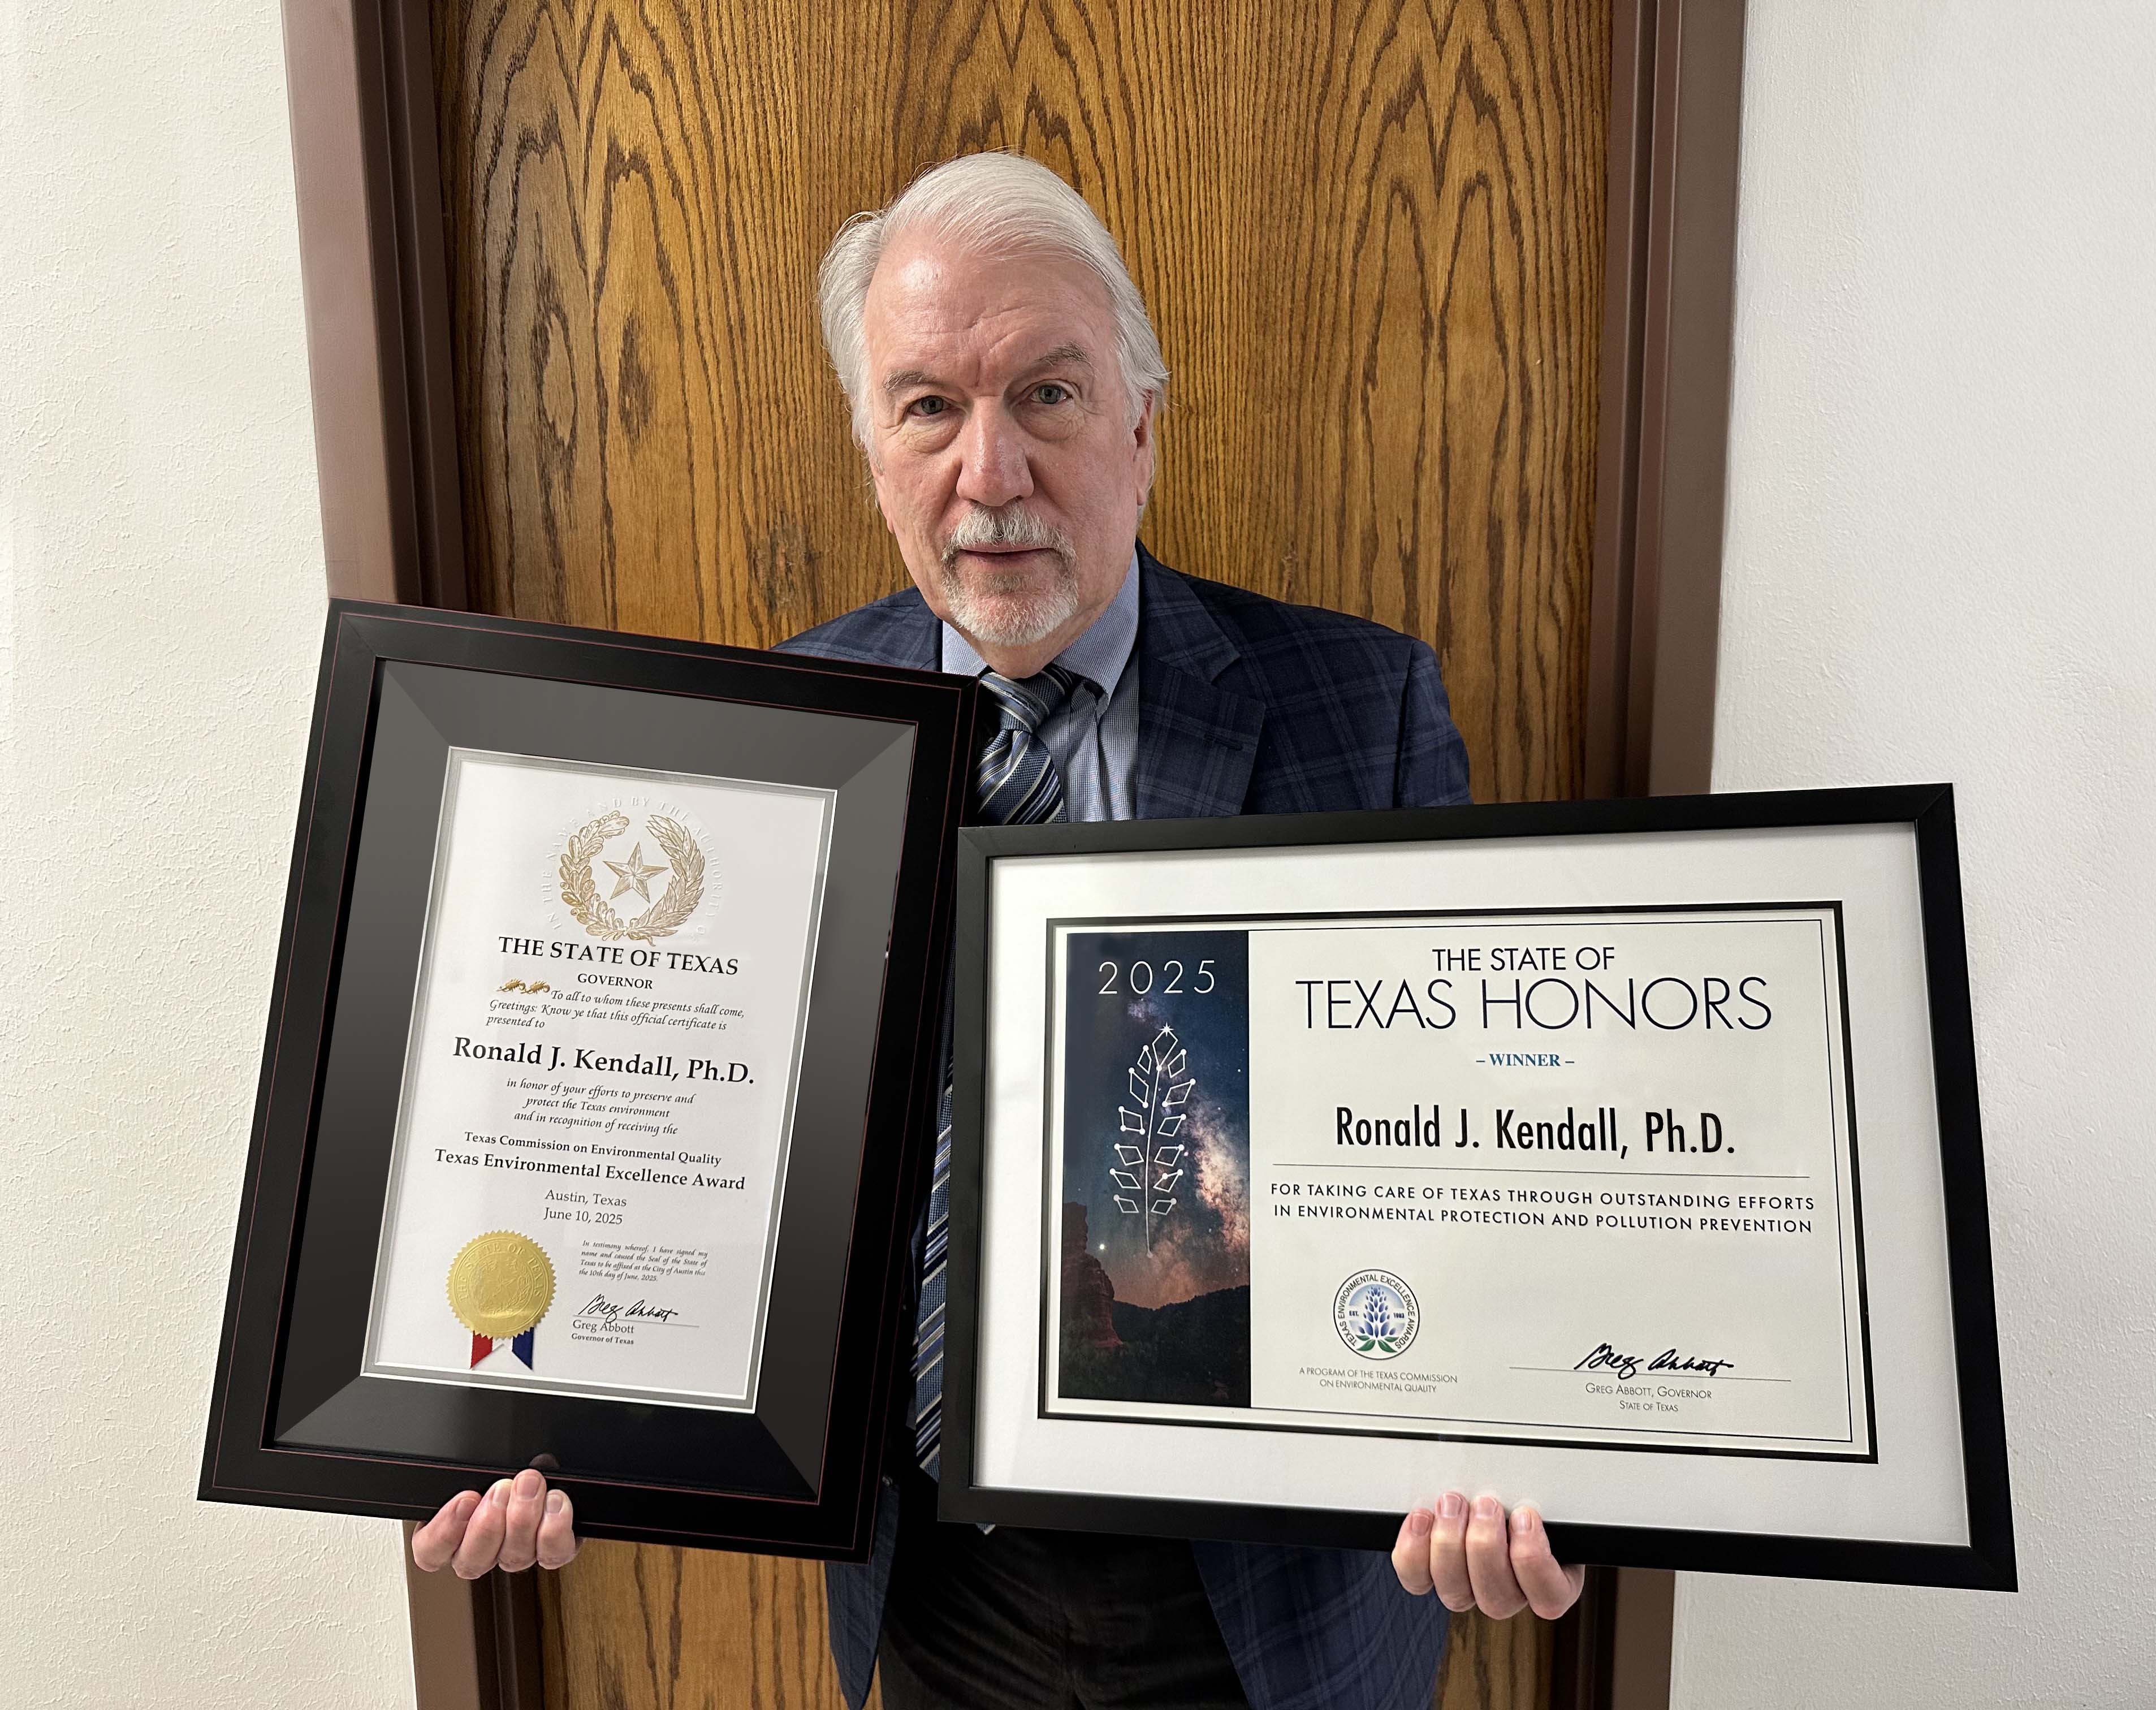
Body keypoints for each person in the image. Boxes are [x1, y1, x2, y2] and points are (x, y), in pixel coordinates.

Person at [413, 152, 1583, 1709]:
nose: (992, 474)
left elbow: (1491, 1146)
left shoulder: (1355, 709)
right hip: (936, 1594)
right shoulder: (771, 744)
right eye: (927, 408)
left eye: (1047, 394)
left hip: (1272, 1599)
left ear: (1143, 423)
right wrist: (525, 1416)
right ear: (871, 446)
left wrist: (1540, 1464)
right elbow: (668, 1135)